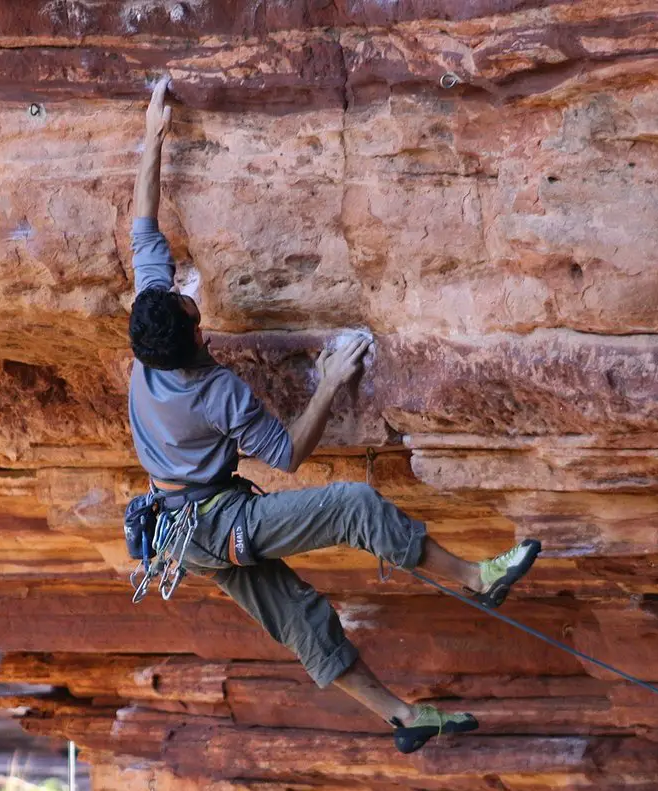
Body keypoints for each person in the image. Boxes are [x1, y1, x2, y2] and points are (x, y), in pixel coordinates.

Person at [126, 77, 541, 753]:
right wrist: (331, 379)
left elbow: (142, 221)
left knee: (299, 616)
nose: (184, 297)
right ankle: (476, 579)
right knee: (353, 505)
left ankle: (402, 719)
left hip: (181, 531)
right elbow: (288, 456)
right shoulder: (214, 392)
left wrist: (153, 133)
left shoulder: (150, 341)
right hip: (216, 522)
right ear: (188, 331)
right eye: (186, 303)